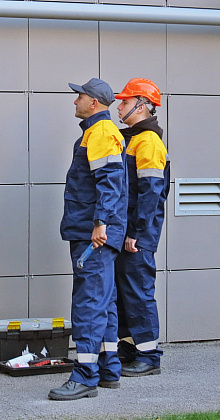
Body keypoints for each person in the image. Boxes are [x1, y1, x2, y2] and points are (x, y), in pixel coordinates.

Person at [49, 78, 128, 401]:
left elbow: (110, 183)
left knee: (88, 303)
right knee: (104, 300)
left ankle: (84, 377)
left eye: (79, 96)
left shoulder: (101, 133)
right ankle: (108, 368)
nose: (75, 101)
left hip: (92, 233)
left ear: (93, 102)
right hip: (93, 231)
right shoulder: (97, 133)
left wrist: (100, 223)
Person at [114, 78, 169, 377]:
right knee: (125, 292)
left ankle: (149, 357)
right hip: (129, 230)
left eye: (124, 101)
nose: (119, 106)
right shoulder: (134, 138)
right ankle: (130, 348)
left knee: (138, 292)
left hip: (138, 233)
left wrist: (136, 232)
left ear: (141, 105)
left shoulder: (148, 141)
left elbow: (150, 193)